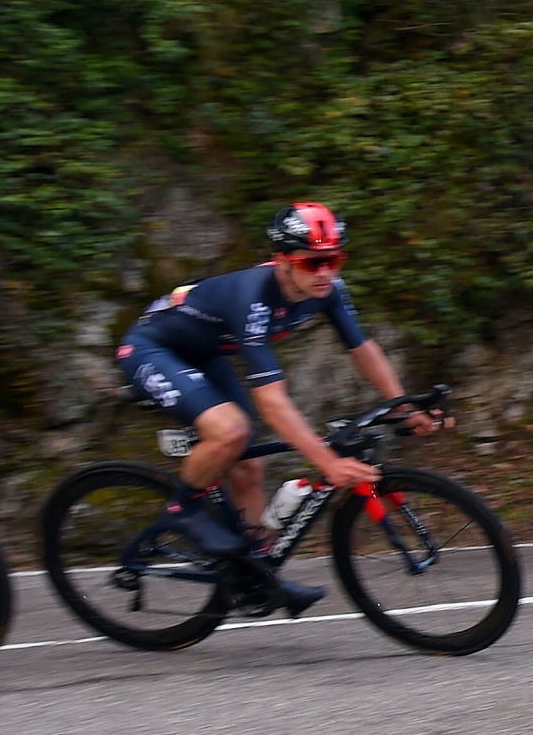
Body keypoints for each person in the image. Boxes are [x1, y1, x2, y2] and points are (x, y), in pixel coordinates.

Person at [116, 203, 444, 615]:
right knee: (232, 430)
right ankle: (182, 508)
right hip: (152, 348)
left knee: (249, 466)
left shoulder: (328, 290)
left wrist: (405, 406)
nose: (326, 271)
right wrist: (328, 461)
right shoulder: (254, 299)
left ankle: (255, 574)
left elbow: (362, 349)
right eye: (313, 262)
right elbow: (272, 403)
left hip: (205, 352)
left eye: (335, 259)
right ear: (283, 261)